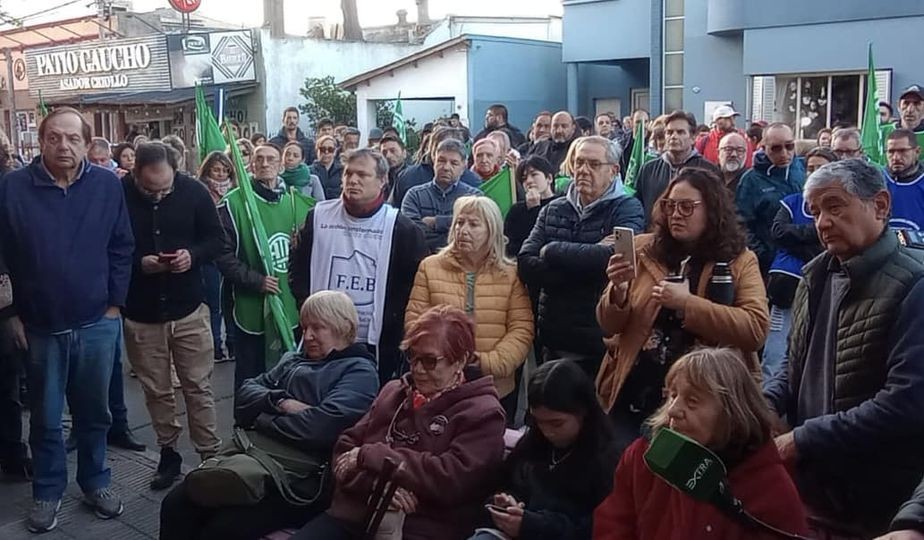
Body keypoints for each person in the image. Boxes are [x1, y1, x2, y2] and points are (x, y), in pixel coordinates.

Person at [763, 159, 924, 537]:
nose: (821, 222)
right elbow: (794, 362)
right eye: (816, 211)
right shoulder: (815, 273)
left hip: (881, 500)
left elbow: (906, 401)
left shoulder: (913, 283)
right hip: (815, 490)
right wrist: (766, 405)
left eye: (835, 207)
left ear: (881, 206)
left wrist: (803, 438)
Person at [0, 107, 134, 532]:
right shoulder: (13, 188)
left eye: (73, 139)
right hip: (39, 326)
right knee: (44, 416)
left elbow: (121, 246)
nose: (64, 146)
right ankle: (48, 490)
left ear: (86, 143)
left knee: (95, 414)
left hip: (98, 322)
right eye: (54, 137)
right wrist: (9, 314)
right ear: (40, 141)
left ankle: (96, 480)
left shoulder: (107, 187)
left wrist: (114, 305)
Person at [159, 291, 380, 540]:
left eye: (318, 328)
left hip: (302, 479)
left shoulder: (359, 372)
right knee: (176, 503)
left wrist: (261, 418)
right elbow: (244, 395)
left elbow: (319, 428)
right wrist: (281, 401)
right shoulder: (293, 360)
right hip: (256, 456)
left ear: (344, 328)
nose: (307, 336)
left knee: (223, 528)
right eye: (305, 327)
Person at [292, 304, 507, 540]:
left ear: (460, 361)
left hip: (420, 528)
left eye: (430, 361)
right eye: (412, 357)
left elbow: (451, 480)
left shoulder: (482, 412)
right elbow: (344, 450)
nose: (417, 369)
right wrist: (377, 485)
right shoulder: (394, 391)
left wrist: (372, 456)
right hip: (355, 513)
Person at [596, 167, 769, 447]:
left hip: (702, 405)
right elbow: (608, 325)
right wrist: (619, 291)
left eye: (687, 207)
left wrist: (688, 304)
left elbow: (755, 329)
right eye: (670, 205)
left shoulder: (739, 260)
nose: (675, 214)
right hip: (635, 393)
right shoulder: (642, 249)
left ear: (712, 210)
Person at [594, 348, 809, 539]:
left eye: (692, 401)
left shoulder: (770, 489)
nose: (673, 410)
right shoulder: (643, 456)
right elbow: (613, 525)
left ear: (731, 412)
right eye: (672, 395)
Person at [122, 142, 224, 490]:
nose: (160, 194)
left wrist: (191, 256)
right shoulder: (118, 195)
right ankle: (169, 453)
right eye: (152, 189)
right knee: (157, 390)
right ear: (136, 175)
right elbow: (109, 246)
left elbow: (217, 239)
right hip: (142, 312)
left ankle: (210, 455)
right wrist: (140, 264)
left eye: (166, 187)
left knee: (198, 386)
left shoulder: (193, 191)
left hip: (188, 308)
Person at [289, 148, 427, 385]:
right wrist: (307, 306)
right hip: (321, 338)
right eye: (348, 173)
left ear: (382, 180)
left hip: (376, 344)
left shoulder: (401, 228)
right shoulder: (318, 217)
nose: (352, 180)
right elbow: (297, 266)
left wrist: (394, 323)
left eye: (362, 175)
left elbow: (414, 285)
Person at [518, 136, 644, 379]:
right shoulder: (553, 209)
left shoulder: (627, 209)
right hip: (554, 336)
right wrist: (585, 267)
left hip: (598, 341)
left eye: (594, 164)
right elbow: (525, 262)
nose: (584, 170)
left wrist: (552, 250)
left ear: (614, 171)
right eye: (579, 163)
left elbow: (618, 259)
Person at [406, 196, 533, 420]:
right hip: (439, 382)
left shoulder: (511, 274)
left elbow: (521, 329)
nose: (463, 230)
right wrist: (443, 361)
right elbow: (415, 323)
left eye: (473, 224)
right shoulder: (429, 267)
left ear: (491, 231)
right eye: (459, 222)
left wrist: (487, 362)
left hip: (494, 386)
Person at [473, 360, 618, 540]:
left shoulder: (606, 459)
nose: (547, 431)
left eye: (556, 423)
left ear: (583, 412)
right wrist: (506, 503)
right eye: (539, 422)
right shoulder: (534, 443)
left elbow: (598, 527)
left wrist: (533, 526)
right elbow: (504, 482)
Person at [216, 143, 315, 390]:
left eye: (271, 159)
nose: (265, 164)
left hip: (289, 303)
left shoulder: (296, 204)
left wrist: (300, 245)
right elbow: (221, 254)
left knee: (288, 371)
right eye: (259, 159)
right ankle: (244, 423)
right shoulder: (234, 204)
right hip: (251, 304)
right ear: (251, 165)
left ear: (281, 165)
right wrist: (255, 280)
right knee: (251, 373)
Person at [761, 148, 835, 385]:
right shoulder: (792, 202)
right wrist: (812, 238)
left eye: (820, 168)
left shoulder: (839, 208)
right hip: (786, 285)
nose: (813, 172)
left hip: (823, 286)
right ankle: (769, 402)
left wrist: (798, 239)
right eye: (810, 168)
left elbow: (830, 241)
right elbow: (779, 232)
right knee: (776, 348)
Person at [735, 122, 806, 276]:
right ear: (763, 147)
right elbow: (741, 224)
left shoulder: (804, 169)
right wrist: (764, 256)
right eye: (776, 148)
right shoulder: (751, 179)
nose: (784, 153)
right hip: (770, 265)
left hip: (808, 259)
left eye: (789, 146)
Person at [634, 110, 719, 220]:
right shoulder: (648, 169)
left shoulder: (708, 170)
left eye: (680, 132)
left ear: (693, 138)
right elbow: (638, 206)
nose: (673, 136)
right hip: (654, 233)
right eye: (669, 132)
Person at [402, 138, 484, 252]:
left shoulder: (474, 197)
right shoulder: (414, 195)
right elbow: (412, 233)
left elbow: (477, 232)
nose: (446, 167)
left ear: (464, 166)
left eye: (454, 163)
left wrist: (437, 222)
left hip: (463, 263)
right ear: (434, 161)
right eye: (441, 160)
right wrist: (454, 236)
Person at [197, 151, 237, 362]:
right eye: (216, 170)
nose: (221, 175)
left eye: (225, 170)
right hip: (211, 258)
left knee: (231, 303)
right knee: (215, 305)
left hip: (231, 255)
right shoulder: (200, 191)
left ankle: (232, 343)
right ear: (207, 170)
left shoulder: (235, 192)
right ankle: (215, 347)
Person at [392, 127, 482, 208]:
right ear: (432, 149)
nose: (446, 167)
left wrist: (436, 221)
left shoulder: (473, 182)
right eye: (442, 147)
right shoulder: (408, 177)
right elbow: (400, 218)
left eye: (454, 147)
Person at [504, 155, 558, 258]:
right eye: (524, 178)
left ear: (549, 178)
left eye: (534, 175)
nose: (529, 181)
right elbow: (511, 246)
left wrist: (535, 210)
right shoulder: (516, 210)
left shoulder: (560, 205)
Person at [884, 128, 924, 230]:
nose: (896, 157)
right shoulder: (876, 181)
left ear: (917, 151)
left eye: (902, 151)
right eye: (891, 152)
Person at [881, 85, 924, 150]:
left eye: (917, 104)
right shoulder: (882, 132)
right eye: (906, 103)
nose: (910, 110)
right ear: (898, 106)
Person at [309, 135, 344, 200]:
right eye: (323, 149)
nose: (326, 152)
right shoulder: (309, 171)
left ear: (335, 151)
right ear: (317, 150)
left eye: (330, 149)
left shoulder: (343, 171)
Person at [380, 134, 409, 202]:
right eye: (384, 152)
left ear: (404, 153)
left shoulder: (412, 176)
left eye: (393, 151)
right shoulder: (379, 179)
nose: (388, 156)